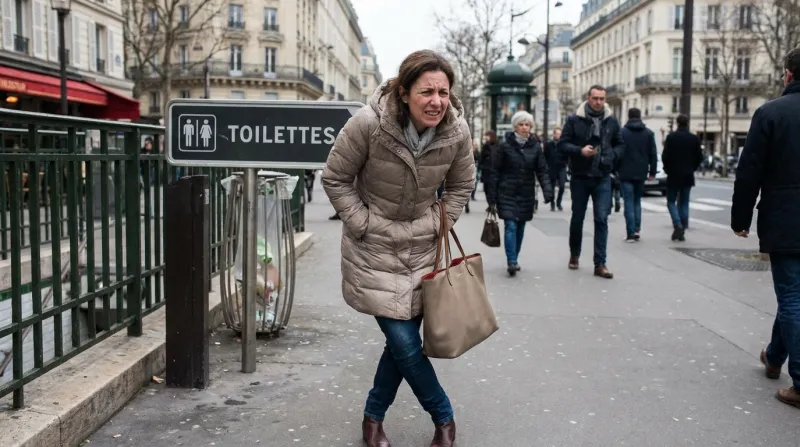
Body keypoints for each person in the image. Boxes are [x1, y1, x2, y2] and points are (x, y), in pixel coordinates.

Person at [322, 50, 473, 447]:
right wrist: (363, 223)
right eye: (427, 91)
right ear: (404, 92)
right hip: (373, 251)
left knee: (398, 345)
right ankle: (444, 418)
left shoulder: (456, 132)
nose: (437, 101)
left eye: (443, 91)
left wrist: (437, 223)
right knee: (405, 342)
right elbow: (335, 177)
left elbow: (461, 186)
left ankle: (372, 418)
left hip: (423, 251)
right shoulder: (369, 124)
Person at [731, 47, 800, 409]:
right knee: (794, 297)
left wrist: (740, 219)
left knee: (791, 296)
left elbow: (750, 171)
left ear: (787, 74)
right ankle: (774, 357)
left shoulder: (770, 113)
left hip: (786, 218)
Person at [557, 85, 623, 279]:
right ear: (588, 98)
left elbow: (620, 144)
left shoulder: (611, 120)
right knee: (578, 218)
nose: (599, 102)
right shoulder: (574, 119)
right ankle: (575, 254)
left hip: (602, 176)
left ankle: (600, 263)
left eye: (602, 99)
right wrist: (580, 151)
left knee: (602, 219)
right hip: (580, 175)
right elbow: (562, 145)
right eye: (595, 98)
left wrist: (612, 155)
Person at [486, 111, 553, 276]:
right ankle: (512, 261)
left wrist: (548, 191)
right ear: (515, 127)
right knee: (511, 225)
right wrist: (491, 196)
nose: (525, 127)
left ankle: (514, 256)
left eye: (527, 124)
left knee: (521, 227)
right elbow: (494, 171)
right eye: (521, 124)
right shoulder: (504, 146)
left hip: (526, 193)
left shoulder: (536, 147)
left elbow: (542, 170)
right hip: (506, 192)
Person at [618, 107, 658, 242]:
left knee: (628, 202)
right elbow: (653, 154)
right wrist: (652, 172)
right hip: (641, 172)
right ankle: (637, 230)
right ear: (640, 116)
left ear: (628, 116)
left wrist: (615, 169)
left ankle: (630, 233)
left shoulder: (622, 133)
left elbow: (618, 152)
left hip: (625, 172)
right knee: (637, 202)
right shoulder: (648, 133)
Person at [661, 114, 703, 241]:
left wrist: (667, 169)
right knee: (684, 203)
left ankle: (677, 224)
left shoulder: (671, 137)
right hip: (688, 175)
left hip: (673, 174)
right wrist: (692, 168)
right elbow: (699, 157)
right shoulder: (694, 138)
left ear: (677, 123)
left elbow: (665, 156)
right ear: (688, 123)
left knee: (670, 202)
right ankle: (682, 230)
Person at [545, 127, 566, 211]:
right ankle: (552, 203)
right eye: (556, 134)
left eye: (559, 134)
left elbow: (567, 155)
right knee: (552, 188)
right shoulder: (549, 145)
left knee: (562, 186)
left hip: (561, 168)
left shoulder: (563, 145)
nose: (558, 136)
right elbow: (545, 157)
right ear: (553, 134)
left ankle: (559, 202)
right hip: (552, 168)